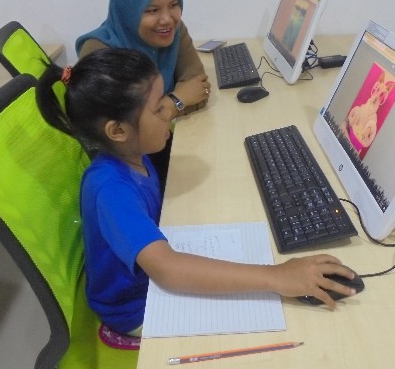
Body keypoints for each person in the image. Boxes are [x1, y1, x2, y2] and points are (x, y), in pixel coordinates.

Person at [36, 48, 359, 348]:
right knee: (282, 327)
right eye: (158, 108)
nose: (169, 110)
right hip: (133, 307)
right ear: (118, 131)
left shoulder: (131, 153)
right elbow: (168, 270)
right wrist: (276, 276)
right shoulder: (111, 190)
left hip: (150, 275)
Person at [76, 0, 210, 193]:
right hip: (130, 169)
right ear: (128, 11)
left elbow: (198, 87)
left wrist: (159, 112)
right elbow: (125, 131)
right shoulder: (101, 53)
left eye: (174, 5)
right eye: (152, 10)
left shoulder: (173, 31)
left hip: (161, 144)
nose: (167, 18)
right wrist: (175, 102)